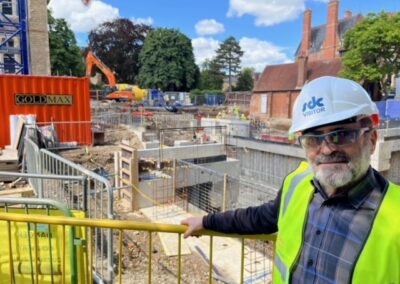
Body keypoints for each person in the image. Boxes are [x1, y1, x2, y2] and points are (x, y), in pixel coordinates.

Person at [181, 76, 400, 283]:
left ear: (371, 139)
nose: (326, 149)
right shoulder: (297, 184)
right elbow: (259, 218)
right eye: (313, 139)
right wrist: (205, 221)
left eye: (340, 135)